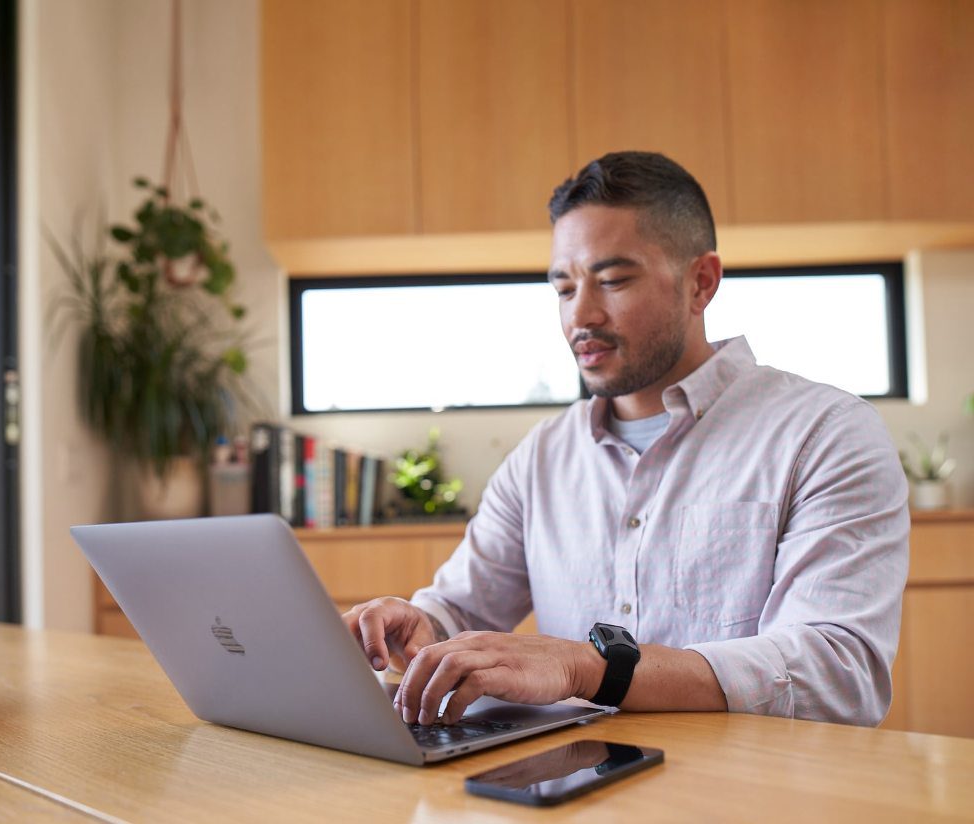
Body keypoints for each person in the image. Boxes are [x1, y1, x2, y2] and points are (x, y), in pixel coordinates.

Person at [342, 151, 909, 729]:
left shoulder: (824, 434)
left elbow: (840, 672)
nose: (581, 315)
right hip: (573, 794)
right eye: (563, 289)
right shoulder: (541, 458)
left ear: (701, 282)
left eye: (612, 280)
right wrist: (415, 624)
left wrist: (591, 668)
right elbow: (460, 608)